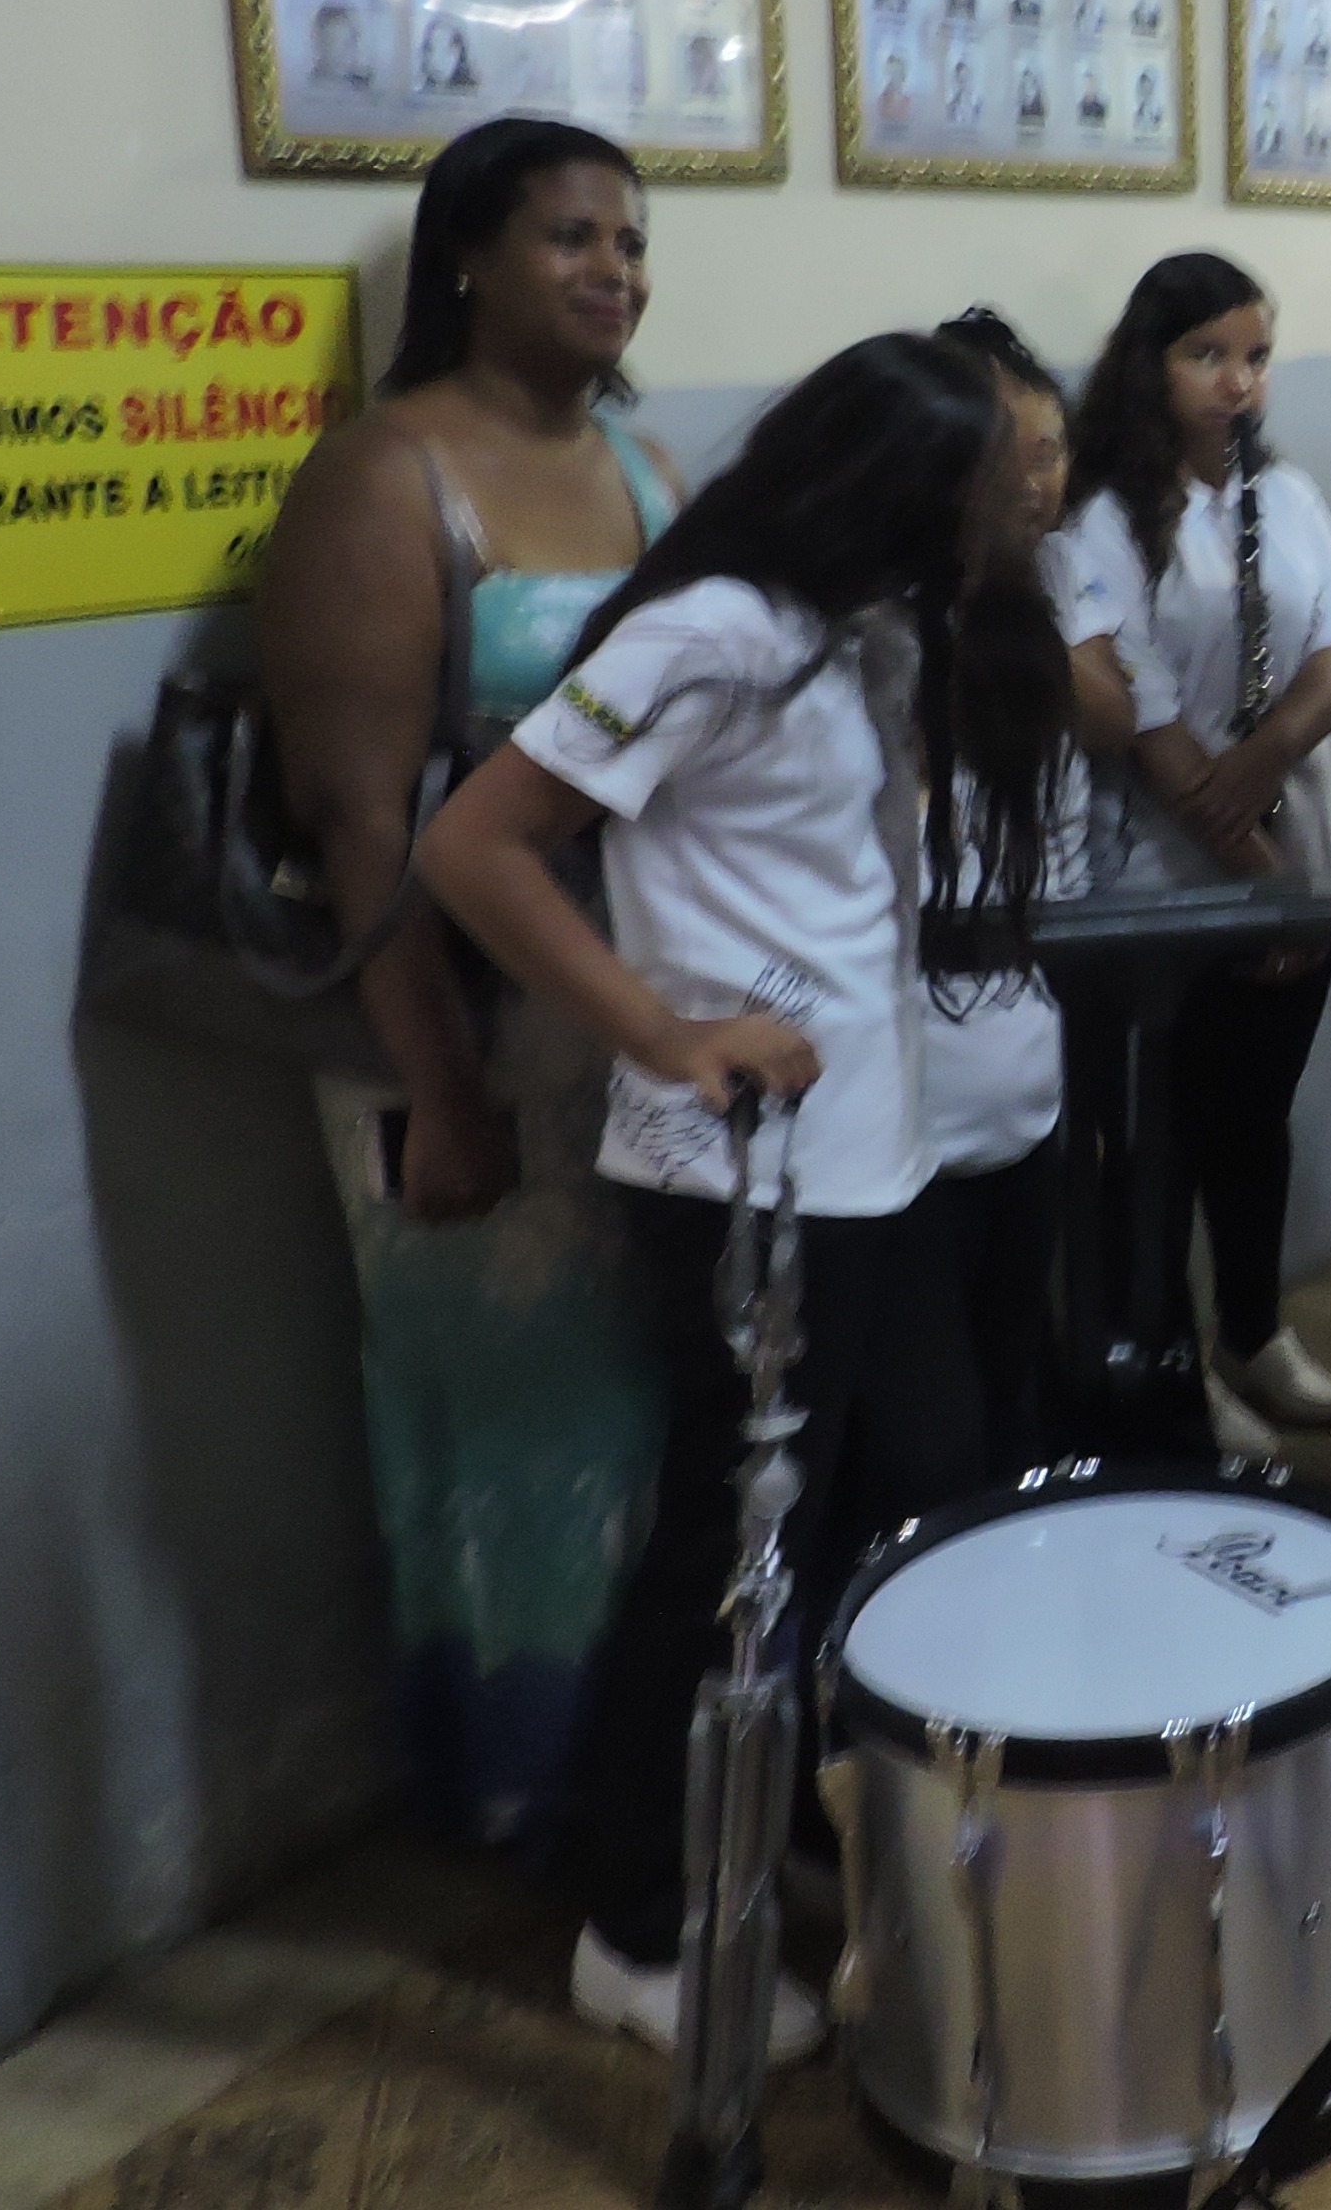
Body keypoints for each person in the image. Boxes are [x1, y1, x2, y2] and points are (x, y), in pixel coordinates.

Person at [417, 328, 1073, 2059]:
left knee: (906, 1494)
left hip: (874, 1157)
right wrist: (663, 1027)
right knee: (732, 1556)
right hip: (747, 1175)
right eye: (978, 490)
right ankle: (635, 1922)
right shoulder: (707, 633)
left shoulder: (852, 625)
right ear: (885, 496)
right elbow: (473, 845)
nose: (1007, 513)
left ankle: (804, 1830)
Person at [259, 118, 684, 1853]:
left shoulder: (649, 467)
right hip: (459, 1029)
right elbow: (360, 819)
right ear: (466, 260)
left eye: (630, 244)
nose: (612, 271)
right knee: (512, 1413)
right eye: (571, 238)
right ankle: (521, 1784)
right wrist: (440, 1089)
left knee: (652, 1400)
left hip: (632, 1022)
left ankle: (643, 1770)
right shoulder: (387, 477)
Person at [1057, 252, 1331, 1448]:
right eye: (1206, 356)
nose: (1237, 383)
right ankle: (1175, 1368)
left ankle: (1254, 1328)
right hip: (1167, 881)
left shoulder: (1280, 494)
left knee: (1253, 1121)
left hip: (1292, 855)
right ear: (1148, 365)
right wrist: (1257, 874)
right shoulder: (1101, 513)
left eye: (1254, 357)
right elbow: (1140, 714)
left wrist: (1269, 753)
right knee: (1162, 1145)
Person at [923, 309, 1095, 1478]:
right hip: (904, 1121)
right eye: (1008, 459)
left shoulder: (1035, 616)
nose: (1035, 487)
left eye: (1049, 453)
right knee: (925, 1434)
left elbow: (1057, 856)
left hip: (1020, 1089)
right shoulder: (875, 639)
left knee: (1012, 1396)